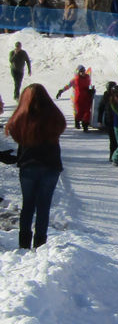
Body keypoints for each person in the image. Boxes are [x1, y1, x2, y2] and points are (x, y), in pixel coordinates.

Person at [5, 84, 66, 249]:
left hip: (28, 166)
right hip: (51, 165)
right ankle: (40, 243)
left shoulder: (22, 117)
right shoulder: (53, 116)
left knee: (28, 205)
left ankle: (23, 243)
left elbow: (14, 132)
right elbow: (61, 126)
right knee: (43, 206)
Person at [56, 65, 94, 132]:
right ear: (78, 72)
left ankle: (85, 126)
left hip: (86, 98)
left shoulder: (87, 78)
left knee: (87, 112)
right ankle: (77, 121)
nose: (83, 72)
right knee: (79, 112)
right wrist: (61, 91)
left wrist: (91, 90)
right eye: (81, 71)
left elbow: (89, 86)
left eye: (84, 71)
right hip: (78, 98)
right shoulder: (75, 80)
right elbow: (68, 86)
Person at [97, 81, 118, 162]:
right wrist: (99, 121)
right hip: (109, 120)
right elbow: (100, 109)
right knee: (113, 139)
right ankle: (112, 155)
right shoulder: (106, 96)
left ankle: (117, 155)